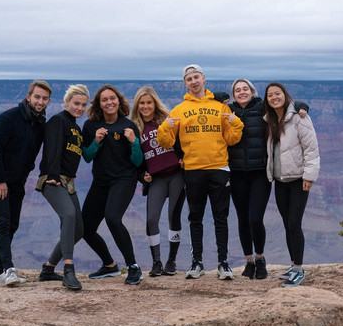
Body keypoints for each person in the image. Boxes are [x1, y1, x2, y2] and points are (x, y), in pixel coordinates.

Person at [157, 64, 244, 280]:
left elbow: (232, 138)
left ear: (204, 78)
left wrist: (237, 123)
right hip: (193, 169)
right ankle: (197, 263)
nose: (194, 82)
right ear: (185, 83)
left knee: (220, 217)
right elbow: (166, 142)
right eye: (189, 79)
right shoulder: (178, 110)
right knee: (195, 217)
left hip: (219, 168)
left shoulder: (221, 107)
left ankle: (223, 263)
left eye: (196, 77)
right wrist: (164, 127)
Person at [228, 79, 309, 280]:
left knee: (255, 218)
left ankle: (260, 258)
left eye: (245, 88)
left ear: (252, 91)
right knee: (242, 219)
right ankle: (249, 261)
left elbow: (283, 104)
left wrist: (301, 106)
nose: (242, 92)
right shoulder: (227, 110)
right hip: (236, 172)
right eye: (237, 90)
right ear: (233, 94)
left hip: (259, 173)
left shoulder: (262, 108)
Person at [0, 80, 52, 286]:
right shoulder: (7, 118)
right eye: (37, 97)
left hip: (17, 181)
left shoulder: (39, 124)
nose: (40, 101)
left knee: (13, 224)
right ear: (28, 97)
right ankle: (9, 270)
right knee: (3, 222)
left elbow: (32, 154)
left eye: (45, 98)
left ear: (48, 101)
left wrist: (23, 176)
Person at [81, 84, 144, 285]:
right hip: (101, 181)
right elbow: (87, 156)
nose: (109, 102)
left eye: (112, 98)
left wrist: (134, 142)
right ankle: (109, 265)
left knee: (113, 218)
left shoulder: (128, 126)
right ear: (99, 104)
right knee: (84, 228)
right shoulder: (91, 126)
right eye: (104, 100)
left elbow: (137, 161)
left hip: (124, 180)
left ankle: (133, 267)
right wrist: (96, 142)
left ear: (119, 101)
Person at [263, 82, 320, 287]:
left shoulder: (299, 118)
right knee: (287, 224)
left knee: (295, 223)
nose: (274, 97)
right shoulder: (269, 119)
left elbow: (311, 149)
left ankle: (299, 269)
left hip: (297, 180)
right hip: (280, 181)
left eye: (277, 93)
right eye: (270, 95)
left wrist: (309, 176)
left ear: (285, 95)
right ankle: (293, 264)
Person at [36, 84, 90, 290]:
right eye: (76, 103)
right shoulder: (58, 121)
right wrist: (52, 175)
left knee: (78, 230)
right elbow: (53, 148)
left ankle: (48, 269)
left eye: (83, 105)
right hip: (53, 179)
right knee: (68, 215)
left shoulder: (76, 128)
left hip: (70, 183)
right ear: (66, 102)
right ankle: (69, 270)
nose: (79, 108)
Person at [130, 86, 186, 277]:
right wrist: (142, 175)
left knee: (173, 216)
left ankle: (172, 261)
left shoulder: (165, 121)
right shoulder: (134, 128)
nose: (145, 106)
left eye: (149, 102)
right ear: (137, 105)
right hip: (157, 179)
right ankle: (156, 262)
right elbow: (135, 158)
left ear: (155, 104)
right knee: (152, 218)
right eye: (142, 103)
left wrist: (183, 157)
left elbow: (184, 141)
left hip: (176, 175)